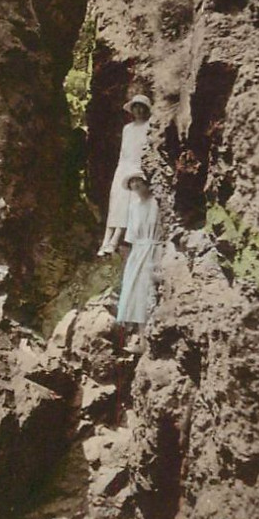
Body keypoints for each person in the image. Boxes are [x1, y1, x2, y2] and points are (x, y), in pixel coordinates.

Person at [97, 93, 151, 256]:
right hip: (124, 166)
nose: (139, 110)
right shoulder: (127, 129)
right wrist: (120, 169)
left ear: (146, 110)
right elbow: (123, 152)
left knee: (130, 203)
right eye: (136, 107)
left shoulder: (149, 126)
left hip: (138, 168)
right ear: (132, 110)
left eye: (142, 107)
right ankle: (105, 241)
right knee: (117, 202)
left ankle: (115, 241)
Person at [116, 171, 162, 337]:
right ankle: (140, 337)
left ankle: (151, 336)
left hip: (155, 248)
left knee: (150, 290)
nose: (135, 185)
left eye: (138, 181)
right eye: (132, 182)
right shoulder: (133, 206)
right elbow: (132, 236)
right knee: (136, 291)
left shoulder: (157, 202)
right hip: (139, 250)